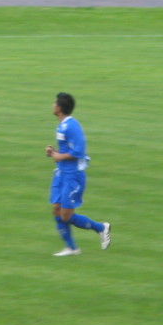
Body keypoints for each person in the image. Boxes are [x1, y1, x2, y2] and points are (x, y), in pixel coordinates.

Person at [45, 92, 111, 257]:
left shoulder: (72, 126)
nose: (52, 105)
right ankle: (72, 248)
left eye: (54, 103)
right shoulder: (61, 125)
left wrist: (59, 156)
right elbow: (68, 150)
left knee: (66, 216)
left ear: (59, 108)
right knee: (56, 209)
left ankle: (101, 228)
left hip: (73, 176)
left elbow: (79, 151)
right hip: (61, 173)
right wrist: (54, 152)